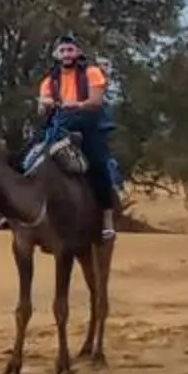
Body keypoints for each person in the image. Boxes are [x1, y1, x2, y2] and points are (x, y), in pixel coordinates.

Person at [35, 33, 122, 241]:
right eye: (63, 50)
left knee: (99, 166)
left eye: (70, 50)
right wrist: (44, 106)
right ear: (57, 54)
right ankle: (16, 213)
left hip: (89, 126)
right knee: (28, 159)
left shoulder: (92, 73)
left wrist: (77, 105)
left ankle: (107, 219)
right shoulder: (49, 80)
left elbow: (96, 101)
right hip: (59, 126)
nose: (66, 54)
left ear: (78, 52)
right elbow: (41, 109)